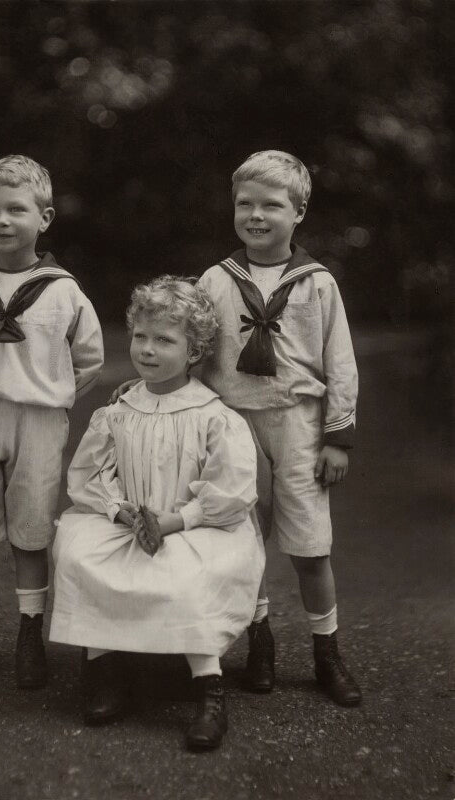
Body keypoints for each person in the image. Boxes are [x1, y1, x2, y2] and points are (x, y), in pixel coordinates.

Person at [49, 276, 264, 750]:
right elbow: (89, 474)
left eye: (164, 340)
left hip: (194, 524)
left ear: (193, 352)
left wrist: (177, 520)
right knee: (78, 549)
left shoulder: (212, 415)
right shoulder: (119, 409)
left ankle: (209, 684)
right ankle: (106, 669)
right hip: (132, 520)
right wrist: (119, 509)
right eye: (140, 337)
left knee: (188, 572)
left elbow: (233, 490)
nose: (147, 349)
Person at [197, 149, 362, 706]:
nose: (256, 215)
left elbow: (339, 362)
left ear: (300, 211)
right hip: (233, 420)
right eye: (245, 204)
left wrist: (337, 439)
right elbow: (193, 349)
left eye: (272, 205)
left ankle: (326, 652)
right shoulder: (217, 280)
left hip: (298, 421)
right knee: (243, 537)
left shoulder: (317, 284)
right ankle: (258, 641)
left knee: (310, 543)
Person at [0, 155, 104, 691]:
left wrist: (51, 398)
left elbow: (89, 357)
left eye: (16, 209)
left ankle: (30, 634)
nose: (2, 221)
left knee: (32, 531)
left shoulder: (63, 289)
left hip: (38, 419)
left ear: (45, 218)